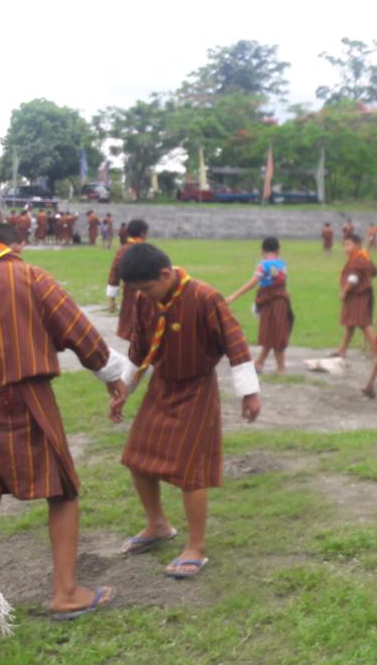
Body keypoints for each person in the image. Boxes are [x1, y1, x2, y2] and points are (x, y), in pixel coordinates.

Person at [0, 223, 130, 620]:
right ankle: (66, 593)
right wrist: (111, 375)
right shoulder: (30, 276)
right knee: (62, 491)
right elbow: (77, 329)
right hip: (24, 398)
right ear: (15, 246)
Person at [116, 243, 261, 579]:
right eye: (138, 290)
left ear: (166, 274)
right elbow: (139, 347)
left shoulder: (205, 297)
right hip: (161, 386)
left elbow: (236, 344)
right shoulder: (143, 299)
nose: (144, 295)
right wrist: (123, 388)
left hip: (197, 389)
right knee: (137, 457)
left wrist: (249, 393)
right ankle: (157, 525)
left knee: (191, 470)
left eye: (147, 287)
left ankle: (196, 546)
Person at [225, 237, 293, 375]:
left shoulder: (264, 265)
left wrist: (234, 295)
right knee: (273, 333)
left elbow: (253, 282)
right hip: (282, 304)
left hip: (269, 304)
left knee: (275, 335)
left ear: (262, 250)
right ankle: (260, 363)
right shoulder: (282, 264)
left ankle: (280, 369)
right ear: (278, 250)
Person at [333, 233, 377, 358]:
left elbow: (353, 279)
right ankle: (342, 350)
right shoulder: (363, 257)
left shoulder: (357, 260)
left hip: (358, 296)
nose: (345, 248)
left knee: (363, 324)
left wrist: (344, 291)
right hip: (363, 294)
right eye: (344, 245)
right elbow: (375, 271)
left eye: (348, 245)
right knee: (350, 324)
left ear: (357, 245)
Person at [108, 219, 151, 340]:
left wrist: (111, 299)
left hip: (129, 293)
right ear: (143, 233)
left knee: (130, 325)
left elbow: (114, 274)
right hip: (149, 293)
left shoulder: (123, 250)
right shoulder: (148, 250)